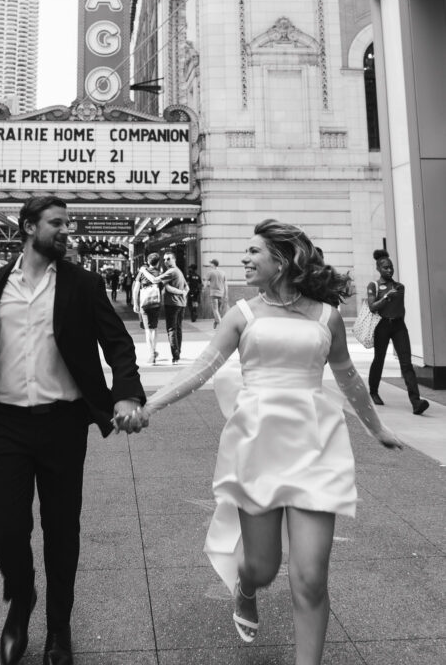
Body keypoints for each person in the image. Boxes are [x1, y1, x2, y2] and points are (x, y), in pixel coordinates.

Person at [117, 219, 401, 665]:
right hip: (257, 448)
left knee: (310, 579)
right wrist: (149, 407)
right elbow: (201, 370)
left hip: (316, 447)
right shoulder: (242, 314)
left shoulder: (326, 316)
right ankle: (245, 588)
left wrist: (377, 429)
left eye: (254, 252)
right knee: (263, 567)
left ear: (282, 260)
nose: (244, 259)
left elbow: (347, 376)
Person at [0, 196, 145, 665]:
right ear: (27, 227)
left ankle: (59, 630)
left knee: (61, 530)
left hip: (63, 425)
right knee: (6, 526)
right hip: (6, 426)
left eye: (68, 223)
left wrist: (126, 395)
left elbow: (118, 344)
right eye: (56, 223)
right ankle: (21, 603)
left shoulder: (83, 284)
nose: (66, 230)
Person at [367, 249, 429, 414]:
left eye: (391, 267)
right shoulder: (373, 286)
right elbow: (372, 307)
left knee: (406, 363)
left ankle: (416, 403)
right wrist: (387, 296)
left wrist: (390, 296)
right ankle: (373, 391)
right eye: (386, 267)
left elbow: (399, 307)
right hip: (382, 326)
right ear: (379, 269)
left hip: (399, 327)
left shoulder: (399, 286)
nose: (389, 270)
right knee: (379, 359)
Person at [132, 252, 163, 364]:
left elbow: (136, 289)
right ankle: (154, 351)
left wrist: (135, 303)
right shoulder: (159, 273)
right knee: (154, 328)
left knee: (147, 330)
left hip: (144, 304)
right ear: (158, 262)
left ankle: (151, 354)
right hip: (155, 303)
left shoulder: (141, 273)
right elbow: (162, 289)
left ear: (148, 261)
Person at [158, 251, 188, 363]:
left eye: (168, 259)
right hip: (181, 304)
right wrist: (183, 293)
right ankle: (178, 353)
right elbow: (187, 288)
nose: (166, 261)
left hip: (172, 304)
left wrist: (143, 271)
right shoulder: (179, 271)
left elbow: (158, 282)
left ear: (174, 259)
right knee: (178, 329)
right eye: (165, 259)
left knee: (171, 329)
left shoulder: (171, 272)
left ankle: (175, 356)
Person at [207, 258, 229, 328]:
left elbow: (206, 283)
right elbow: (225, 284)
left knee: (215, 309)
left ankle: (221, 324)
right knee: (218, 310)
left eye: (211, 263)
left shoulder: (210, 273)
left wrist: (206, 286)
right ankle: (216, 321)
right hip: (221, 293)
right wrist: (226, 294)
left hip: (213, 293)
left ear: (213, 264)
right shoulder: (223, 272)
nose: (210, 265)